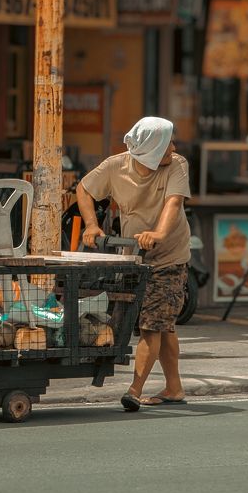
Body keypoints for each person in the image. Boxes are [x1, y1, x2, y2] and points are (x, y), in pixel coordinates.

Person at [76, 116, 191, 411]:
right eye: (167, 144)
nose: (173, 148)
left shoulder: (177, 164)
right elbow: (84, 189)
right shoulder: (116, 166)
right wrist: (91, 224)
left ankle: (134, 390)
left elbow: (174, 203)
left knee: (151, 325)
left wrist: (159, 234)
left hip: (169, 258)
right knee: (163, 325)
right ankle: (174, 388)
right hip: (134, 258)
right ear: (151, 150)